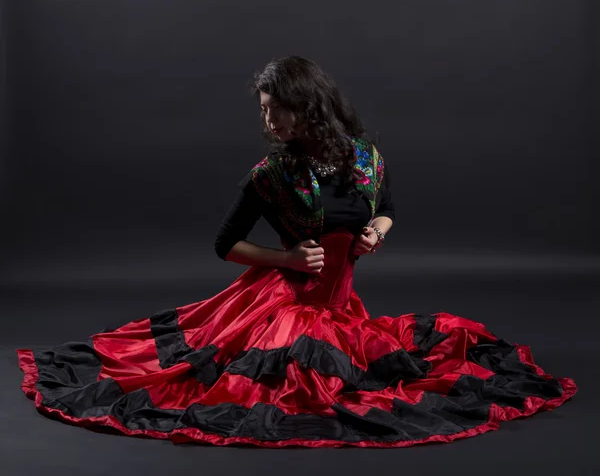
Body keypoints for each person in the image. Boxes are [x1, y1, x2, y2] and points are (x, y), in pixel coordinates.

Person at [16, 56, 577, 448]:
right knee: (280, 384)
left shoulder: (365, 159)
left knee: (388, 370)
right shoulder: (271, 174)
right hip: (283, 300)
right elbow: (223, 245)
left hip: (341, 303)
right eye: (262, 110)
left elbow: (388, 209)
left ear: (305, 106)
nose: (265, 122)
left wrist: (377, 230)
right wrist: (284, 259)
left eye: (272, 110)